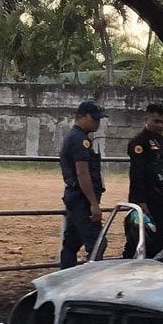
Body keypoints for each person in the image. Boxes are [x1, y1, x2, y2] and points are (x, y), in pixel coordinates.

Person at [123, 102, 163, 258]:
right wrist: (140, 201)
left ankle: (156, 264)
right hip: (146, 199)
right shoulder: (139, 143)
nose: (160, 125)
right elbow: (136, 174)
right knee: (140, 237)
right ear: (146, 120)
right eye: (156, 121)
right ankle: (129, 266)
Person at [57, 99, 105, 268]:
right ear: (81, 117)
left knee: (71, 243)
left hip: (76, 196)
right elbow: (82, 173)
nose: (97, 122)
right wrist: (93, 203)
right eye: (94, 118)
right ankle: (91, 277)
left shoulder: (76, 137)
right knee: (97, 244)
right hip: (81, 199)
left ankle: (65, 274)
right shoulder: (80, 140)